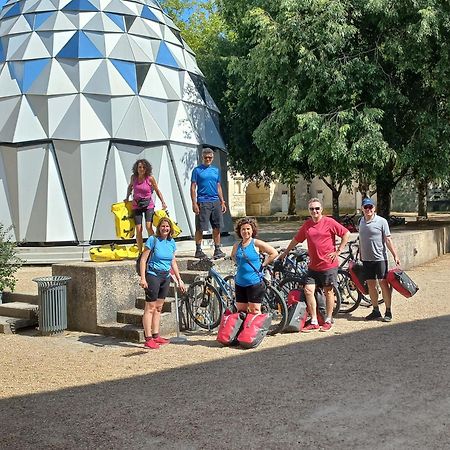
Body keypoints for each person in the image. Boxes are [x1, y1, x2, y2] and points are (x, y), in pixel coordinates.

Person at [280, 198, 350, 332]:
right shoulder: (307, 225)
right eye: (312, 209)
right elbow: (296, 239)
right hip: (313, 266)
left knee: (328, 292)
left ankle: (328, 320)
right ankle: (314, 320)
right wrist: (286, 252)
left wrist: (338, 250)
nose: (315, 211)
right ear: (309, 211)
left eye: (317, 208)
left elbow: (346, 233)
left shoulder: (329, 222)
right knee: (308, 290)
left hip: (328, 265)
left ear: (321, 209)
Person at [139, 217, 186, 349]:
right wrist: (143, 278)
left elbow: (173, 262)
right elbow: (143, 260)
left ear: (170, 228)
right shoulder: (153, 240)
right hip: (153, 275)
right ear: (159, 227)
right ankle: (148, 338)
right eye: (163, 226)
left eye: (167, 226)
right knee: (150, 308)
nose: (165, 229)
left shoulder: (171, 242)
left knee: (159, 308)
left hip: (165, 276)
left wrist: (179, 279)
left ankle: (156, 335)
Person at [358, 197, 400, 322]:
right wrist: (360, 252)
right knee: (371, 285)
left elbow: (388, 239)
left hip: (380, 258)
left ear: (374, 208)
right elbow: (361, 239)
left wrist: (395, 255)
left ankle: (388, 311)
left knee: (383, 283)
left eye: (370, 207)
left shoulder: (381, 221)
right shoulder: (361, 221)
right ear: (362, 209)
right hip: (366, 259)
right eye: (366, 207)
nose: (368, 209)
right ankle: (375, 310)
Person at [231, 218, 278, 314]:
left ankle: (256, 329)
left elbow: (273, 253)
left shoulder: (256, 243)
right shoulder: (237, 245)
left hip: (254, 283)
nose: (245, 231)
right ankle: (244, 329)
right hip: (240, 283)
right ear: (240, 231)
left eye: (248, 229)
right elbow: (233, 256)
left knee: (255, 310)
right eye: (243, 229)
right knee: (241, 311)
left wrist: (263, 264)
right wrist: (240, 264)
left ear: (252, 230)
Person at [190, 147, 227, 259]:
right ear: (202, 157)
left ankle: (217, 249)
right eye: (206, 157)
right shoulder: (197, 170)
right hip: (203, 201)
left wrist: (222, 201)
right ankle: (198, 250)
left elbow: (218, 186)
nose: (208, 159)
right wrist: (194, 203)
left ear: (212, 158)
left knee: (217, 227)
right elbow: (193, 187)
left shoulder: (215, 170)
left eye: (210, 157)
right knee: (200, 227)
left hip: (215, 201)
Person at [125, 159, 167, 253]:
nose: (141, 169)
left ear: (146, 168)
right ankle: (140, 252)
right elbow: (130, 187)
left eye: (144, 167)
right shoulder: (133, 177)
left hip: (148, 204)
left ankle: (154, 248)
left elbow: (157, 190)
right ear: (136, 168)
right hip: (137, 205)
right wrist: (127, 197)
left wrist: (163, 202)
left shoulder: (150, 178)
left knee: (149, 226)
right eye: (140, 167)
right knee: (138, 229)